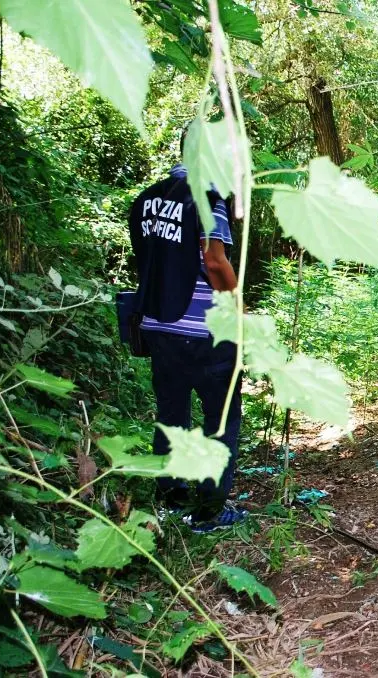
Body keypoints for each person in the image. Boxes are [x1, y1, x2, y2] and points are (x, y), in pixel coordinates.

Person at [128, 128, 246, 533]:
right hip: (205, 331)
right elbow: (214, 263)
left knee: (172, 414)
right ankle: (209, 512)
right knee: (222, 417)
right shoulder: (207, 199)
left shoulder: (149, 199)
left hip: (159, 326)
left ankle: (171, 498)